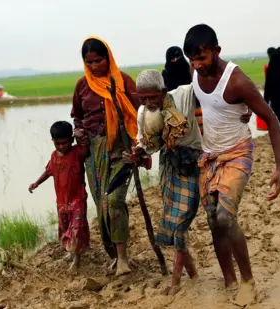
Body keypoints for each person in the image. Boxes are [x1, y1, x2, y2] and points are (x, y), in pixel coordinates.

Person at [183, 24, 280, 306]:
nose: (198, 65)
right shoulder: (194, 73)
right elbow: (199, 103)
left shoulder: (237, 82)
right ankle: (228, 279)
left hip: (238, 152)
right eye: (193, 60)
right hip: (210, 155)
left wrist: (279, 167)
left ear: (216, 51)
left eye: (202, 58)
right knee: (213, 219)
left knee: (227, 218)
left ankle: (248, 280)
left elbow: (273, 120)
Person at [71, 36, 145, 276]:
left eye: (98, 60)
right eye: (89, 62)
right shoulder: (83, 85)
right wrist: (78, 130)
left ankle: (123, 258)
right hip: (93, 155)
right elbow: (77, 116)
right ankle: (114, 254)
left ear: (109, 57)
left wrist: (139, 146)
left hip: (120, 151)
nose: (94, 66)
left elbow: (140, 114)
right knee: (102, 205)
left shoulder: (122, 81)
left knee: (114, 201)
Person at [123, 69, 201, 294]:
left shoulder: (184, 95)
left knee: (179, 223)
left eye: (152, 97)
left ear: (163, 91)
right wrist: (137, 153)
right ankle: (192, 274)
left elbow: (212, 92)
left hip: (191, 162)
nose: (148, 102)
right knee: (174, 220)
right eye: (143, 98)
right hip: (169, 164)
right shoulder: (143, 114)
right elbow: (147, 144)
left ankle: (176, 282)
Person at [28, 121, 90, 273]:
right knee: (64, 229)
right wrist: (36, 183)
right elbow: (48, 172)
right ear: (53, 142)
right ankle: (70, 254)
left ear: (71, 140)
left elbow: (85, 145)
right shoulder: (54, 157)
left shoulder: (77, 153)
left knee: (76, 230)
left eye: (65, 143)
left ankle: (76, 260)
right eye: (58, 143)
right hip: (62, 203)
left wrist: (80, 135)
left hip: (77, 200)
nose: (61, 146)